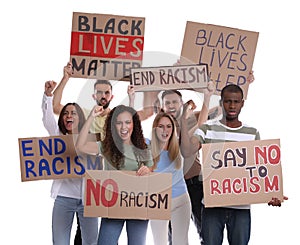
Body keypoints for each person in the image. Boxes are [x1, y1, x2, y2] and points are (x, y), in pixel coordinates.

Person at [179, 83, 287, 245]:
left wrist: (271, 194)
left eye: (236, 102)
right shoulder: (207, 129)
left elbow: (259, 170)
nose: (232, 105)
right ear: (221, 102)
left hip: (241, 209)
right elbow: (187, 151)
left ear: (242, 103)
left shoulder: (252, 132)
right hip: (211, 207)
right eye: (228, 101)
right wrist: (182, 119)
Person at [76, 104, 153, 245]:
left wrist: (148, 172)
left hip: (138, 206)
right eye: (119, 123)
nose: (123, 127)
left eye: (128, 122)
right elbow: (80, 146)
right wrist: (91, 117)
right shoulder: (106, 147)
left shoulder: (144, 148)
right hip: (113, 206)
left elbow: (152, 174)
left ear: (134, 124)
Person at [42, 81, 98, 245]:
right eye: (65, 113)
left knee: (91, 242)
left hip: (88, 199)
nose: (69, 116)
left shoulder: (91, 138)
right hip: (64, 198)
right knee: (60, 242)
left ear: (80, 117)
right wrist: (47, 96)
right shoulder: (57, 135)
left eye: (73, 113)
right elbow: (47, 118)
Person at [149, 111, 191, 245]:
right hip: (158, 201)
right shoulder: (147, 146)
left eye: (168, 126)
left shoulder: (179, 146)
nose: (165, 130)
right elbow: (131, 132)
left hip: (181, 200)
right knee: (159, 242)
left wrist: (207, 98)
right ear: (155, 128)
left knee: (181, 242)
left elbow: (200, 125)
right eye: (161, 126)